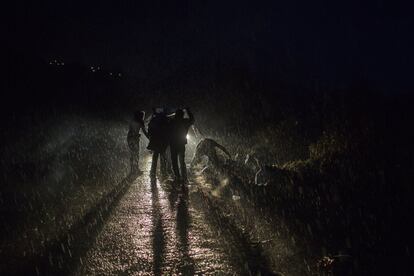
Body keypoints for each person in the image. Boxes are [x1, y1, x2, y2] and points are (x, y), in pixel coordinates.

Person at [169, 108, 194, 182]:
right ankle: (184, 177)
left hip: (173, 143)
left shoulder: (172, 122)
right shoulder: (185, 121)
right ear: (182, 115)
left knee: (174, 161)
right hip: (181, 143)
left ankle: (177, 176)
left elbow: (167, 129)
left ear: (176, 114)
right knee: (182, 161)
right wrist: (188, 111)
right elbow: (192, 120)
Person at [147, 108, 169, 180]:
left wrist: (151, 137)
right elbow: (168, 130)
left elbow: (149, 129)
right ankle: (163, 172)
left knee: (155, 157)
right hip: (162, 141)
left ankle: (153, 172)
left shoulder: (154, 120)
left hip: (156, 140)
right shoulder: (165, 120)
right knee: (162, 156)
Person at [127, 110, 148, 176]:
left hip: (129, 138)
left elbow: (130, 130)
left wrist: (135, 134)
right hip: (135, 139)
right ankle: (136, 169)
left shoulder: (132, 121)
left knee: (132, 153)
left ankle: (132, 170)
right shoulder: (141, 122)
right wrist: (149, 138)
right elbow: (144, 132)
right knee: (136, 154)